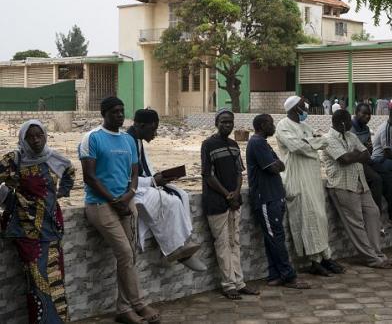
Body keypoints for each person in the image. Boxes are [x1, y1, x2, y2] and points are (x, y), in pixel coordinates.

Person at [79, 97, 159, 324]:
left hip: (125, 202)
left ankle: (124, 308)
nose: (119, 115)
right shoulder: (92, 138)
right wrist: (114, 200)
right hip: (100, 204)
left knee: (130, 255)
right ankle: (139, 303)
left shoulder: (128, 140)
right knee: (124, 253)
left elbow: (134, 174)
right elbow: (89, 177)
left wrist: (128, 196)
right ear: (103, 114)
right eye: (114, 111)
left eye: (122, 111)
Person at [1, 120, 75, 323]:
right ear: (23, 139)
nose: (35, 140)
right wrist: (9, 199)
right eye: (30, 137)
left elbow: (69, 171)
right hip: (28, 232)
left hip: (51, 229)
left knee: (56, 279)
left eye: (39, 135)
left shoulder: (53, 158)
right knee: (36, 282)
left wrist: (61, 193)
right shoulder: (14, 160)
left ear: (45, 136)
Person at [126, 109, 205, 271]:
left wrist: (160, 178)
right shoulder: (128, 142)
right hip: (133, 190)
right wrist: (153, 181)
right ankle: (174, 250)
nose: (155, 134)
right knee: (171, 201)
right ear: (141, 125)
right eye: (153, 129)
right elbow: (127, 177)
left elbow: (144, 169)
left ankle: (182, 244)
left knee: (181, 194)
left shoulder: (137, 140)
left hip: (144, 184)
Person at [276, 95, 345, 277]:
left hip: (313, 179)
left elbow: (323, 141)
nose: (305, 108)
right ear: (293, 109)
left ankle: (326, 257)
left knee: (320, 217)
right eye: (301, 106)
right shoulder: (283, 125)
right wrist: (314, 143)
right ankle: (314, 261)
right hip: (297, 179)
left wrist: (312, 142)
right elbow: (296, 146)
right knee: (307, 219)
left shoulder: (305, 126)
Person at [322, 109, 392, 268]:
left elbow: (366, 155)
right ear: (342, 123)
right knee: (356, 223)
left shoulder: (351, 136)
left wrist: (353, 156)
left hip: (360, 183)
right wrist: (355, 155)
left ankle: (378, 253)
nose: (351, 123)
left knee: (373, 213)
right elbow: (344, 159)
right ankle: (372, 259)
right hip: (343, 185)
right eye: (349, 121)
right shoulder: (327, 139)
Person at [200, 109, 259, 299]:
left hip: (233, 201)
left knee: (235, 242)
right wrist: (227, 195)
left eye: (230, 122)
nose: (227, 125)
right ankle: (228, 285)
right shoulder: (208, 145)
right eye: (224, 122)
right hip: (217, 203)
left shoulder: (234, 145)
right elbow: (208, 175)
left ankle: (239, 283)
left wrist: (235, 193)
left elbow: (239, 173)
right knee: (223, 244)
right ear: (216, 123)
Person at [246, 114, 310, 289]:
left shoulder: (263, 143)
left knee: (272, 238)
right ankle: (288, 276)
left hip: (274, 196)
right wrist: (276, 165)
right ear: (262, 125)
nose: (273, 126)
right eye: (271, 124)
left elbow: (281, 165)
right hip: (266, 199)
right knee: (276, 238)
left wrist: (277, 165)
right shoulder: (257, 143)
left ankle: (276, 275)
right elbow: (275, 167)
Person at [351, 103, 392, 226]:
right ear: (356, 113)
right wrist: (364, 151)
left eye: (369, 114)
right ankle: (375, 218)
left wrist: (366, 150)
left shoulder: (366, 129)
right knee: (376, 179)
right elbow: (353, 152)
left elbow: (369, 150)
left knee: (389, 175)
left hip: (367, 160)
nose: (367, 116)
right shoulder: (351, 128)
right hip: (356, 163)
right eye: (364, 113)